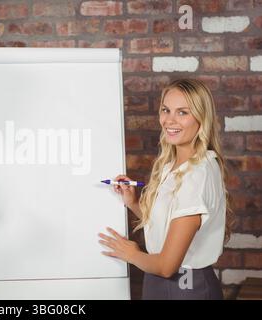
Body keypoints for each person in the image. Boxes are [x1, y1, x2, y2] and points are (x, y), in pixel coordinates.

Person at [98, 79, 234, 300]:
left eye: (182, 112)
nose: (169, 120)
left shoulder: (196, 174)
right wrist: (133, 202)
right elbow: (168, 230)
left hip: (187, 288)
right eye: (166, 110)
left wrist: (131, 254)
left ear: (201, 118)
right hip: (159, 284)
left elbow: (166, 266)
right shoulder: (174, 166)